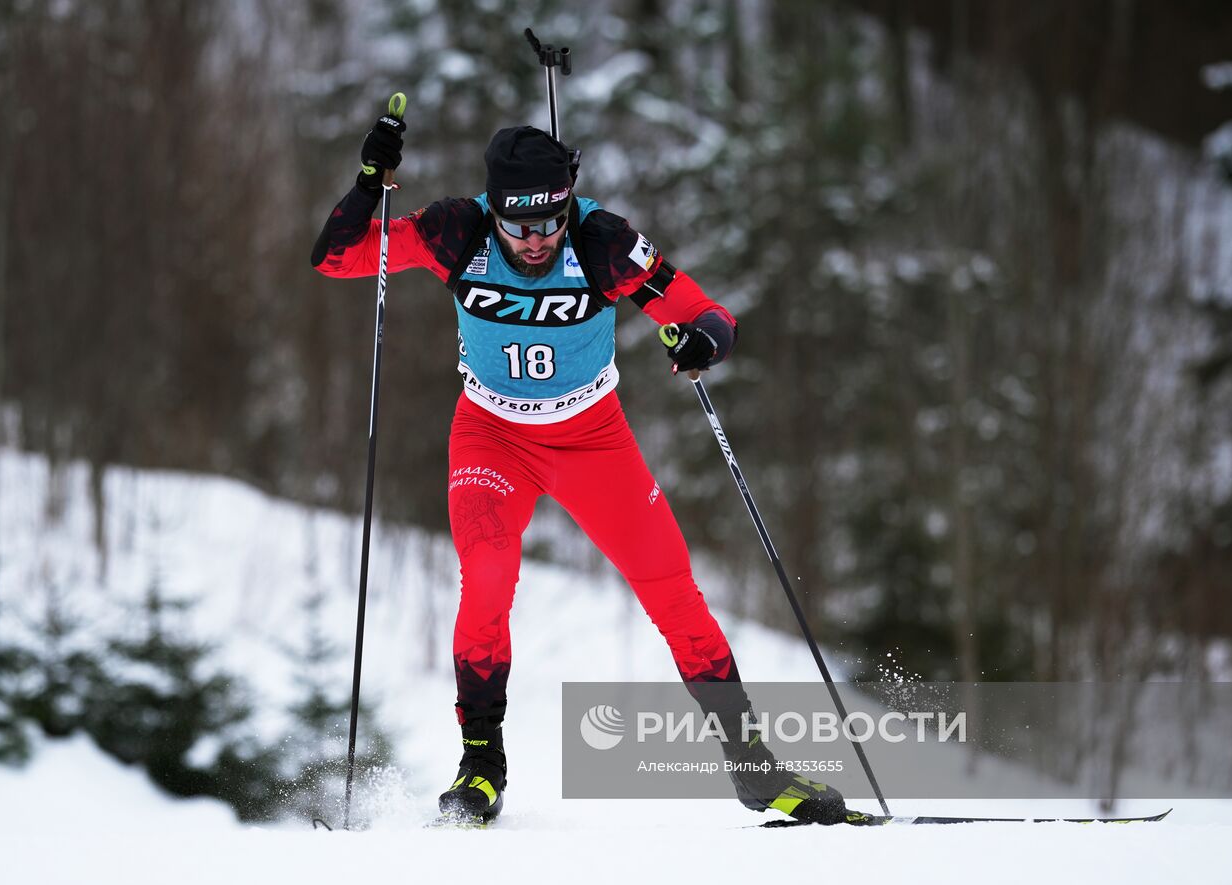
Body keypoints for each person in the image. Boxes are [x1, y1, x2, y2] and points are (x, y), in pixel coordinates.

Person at [312, 111, 847, 825]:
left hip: (592, 437)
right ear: (493, 210)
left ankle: (753, 770)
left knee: (674, 592)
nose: (535, 242)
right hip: (491, 436)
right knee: (490, 575)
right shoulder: (455, 231)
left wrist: (702, 342)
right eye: (520, 227)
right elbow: (336, 258)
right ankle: (481, 766)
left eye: (550, 223)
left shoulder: (603, 242)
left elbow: (709, 312)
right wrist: (367, 184)